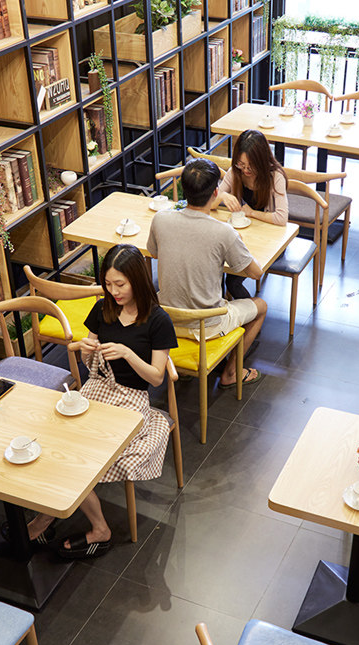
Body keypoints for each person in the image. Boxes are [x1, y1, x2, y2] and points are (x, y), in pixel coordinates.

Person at [25, 244, 177, 560]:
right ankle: (60, 519)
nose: (113, 291)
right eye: (108, 284)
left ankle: (71, 525)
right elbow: (89, 359)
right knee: (56, 444)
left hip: (132, 399)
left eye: (120, 284)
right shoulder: (103, 308)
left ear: (137, 280)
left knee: (78, 457)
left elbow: (156, 378)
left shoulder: (158, 320)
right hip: (98, 388)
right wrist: (86, 349)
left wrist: (128, 353)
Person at [148, 158, 267, 388]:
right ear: (215, 193)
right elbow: (256, 273)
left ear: (184, 190)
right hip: (206, 324)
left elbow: (153, 253)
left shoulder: (160, 218)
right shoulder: (224, 232)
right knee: (261, 306)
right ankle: (231, 373)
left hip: (166, 318)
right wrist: (239, 243)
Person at [213, 129, 289, 299]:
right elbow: (208, 204)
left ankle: (252, 312)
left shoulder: (275, 176)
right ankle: (220, 310)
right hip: (242, 237)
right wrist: (222, 196)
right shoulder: (235, 172)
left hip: (269, 241)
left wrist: (252, 213)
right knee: (215, 267)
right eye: (241, 164)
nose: (246, 170)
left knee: (233, 281)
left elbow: (281, 218)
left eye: (251, 165)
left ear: (262, 161)